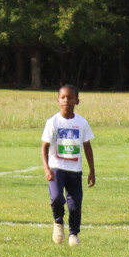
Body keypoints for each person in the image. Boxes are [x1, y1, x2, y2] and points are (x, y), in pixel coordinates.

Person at [41, 84, 95, 245]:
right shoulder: (53, 122)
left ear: (77, 101)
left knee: (75, 204)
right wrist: (46, 168)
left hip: (75, 170)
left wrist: (92, 170)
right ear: (58, 100)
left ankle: (73, 234)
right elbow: (44, 147)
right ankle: (58, 222)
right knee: (57, 198)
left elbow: (87, 147)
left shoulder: (82, 123)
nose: (66, 100)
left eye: (70, 98)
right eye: (63, 97)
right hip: (56, 168)